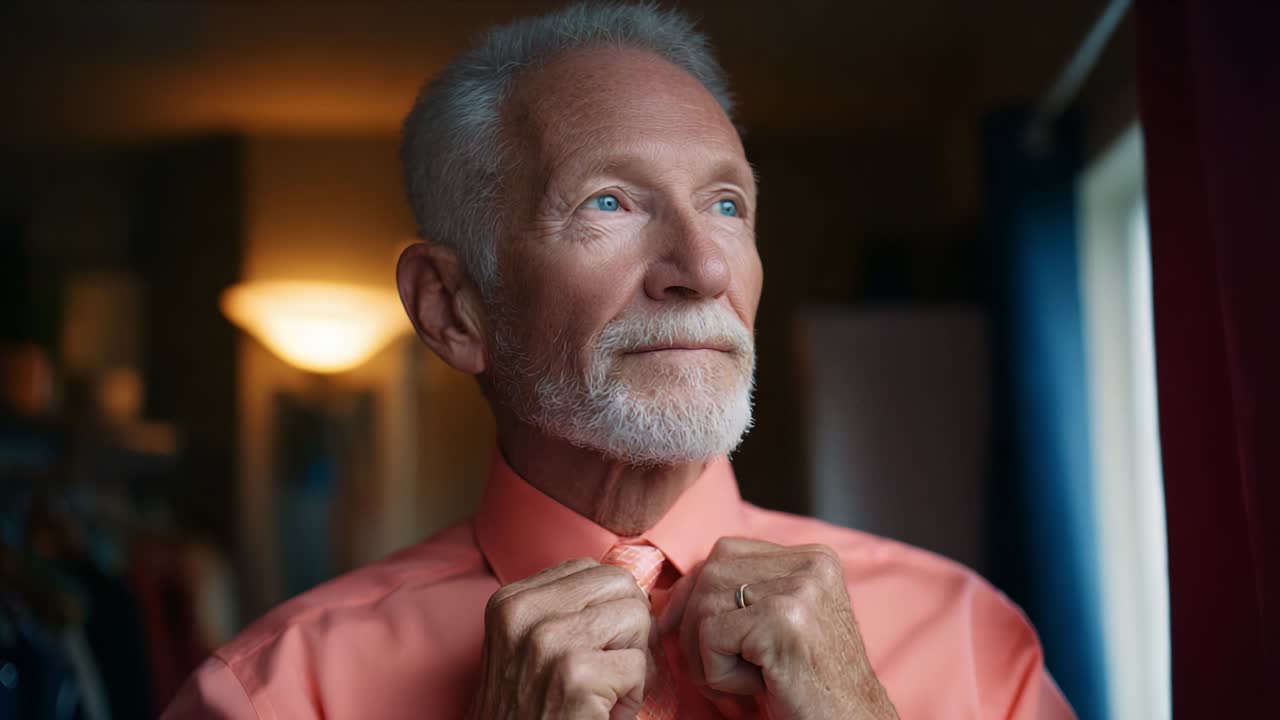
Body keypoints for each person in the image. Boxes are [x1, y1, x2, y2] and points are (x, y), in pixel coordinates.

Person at [164, 3, 1074, 718]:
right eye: (609, 203)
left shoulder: (970, 640)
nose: (706, 268)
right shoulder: (275, 697)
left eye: (726, 206)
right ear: (453, 310)